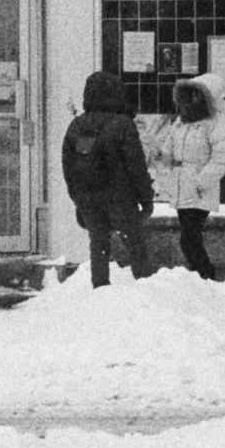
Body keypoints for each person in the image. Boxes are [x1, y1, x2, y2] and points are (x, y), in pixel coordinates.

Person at [61, 70, 156, 286]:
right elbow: (136, 165)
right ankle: (145, 288)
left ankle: (100, 287)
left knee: (98, 244)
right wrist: (146, 198)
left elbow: (69, 165)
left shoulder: (77, 125)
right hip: (120, 197)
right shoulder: (123, 124)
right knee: (135, 243)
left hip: (88, 198)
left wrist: (77, 197)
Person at [156, 73, 225, 282]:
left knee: (189, 239)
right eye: (190, 95)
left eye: (197, 96)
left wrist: (200, 182)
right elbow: (169, 149)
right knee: (190, 238)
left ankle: (205, 276)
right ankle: (199, 278)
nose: (192, 101)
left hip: (198, 188)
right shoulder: (181, 122)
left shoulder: (216, 124)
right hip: (182, 186)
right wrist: (161, 155)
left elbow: (221, 159)